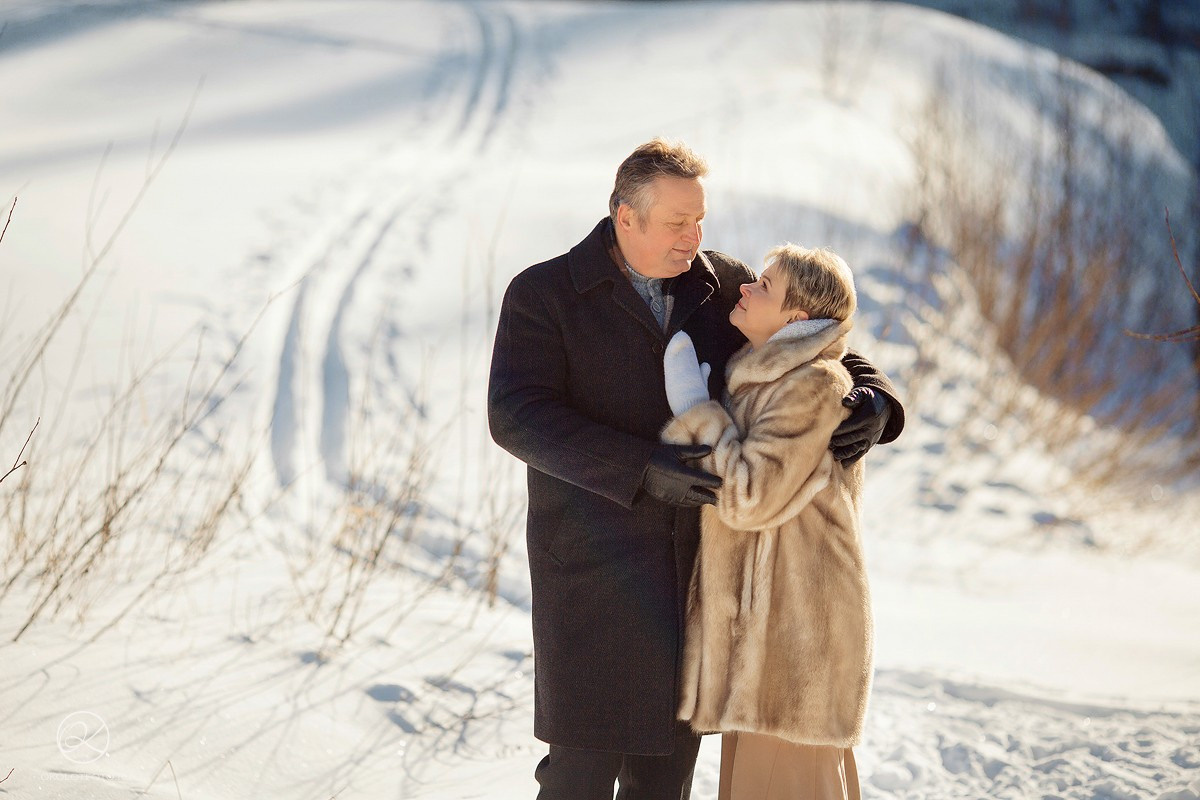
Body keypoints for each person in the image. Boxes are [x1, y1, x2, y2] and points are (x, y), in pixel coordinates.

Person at [487, 138, 903, 800]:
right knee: (577, 778)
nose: (694, 237)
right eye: (678, 222)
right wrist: (641, 468)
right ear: (627, 216)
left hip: (691, 579)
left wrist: (876, 394)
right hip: (592, 574)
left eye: (700, 219)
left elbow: (809, 330)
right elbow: (515, 415)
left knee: (665, 783)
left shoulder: (719, 284)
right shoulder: (545, 294)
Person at [660, 244, 874, 800]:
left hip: (795, 645)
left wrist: (695, 409)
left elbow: (749, 498)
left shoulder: (812, 386)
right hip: (767, 645)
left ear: (795, 318)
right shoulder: (767, 377)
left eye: (764, 287)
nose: (746, 288)